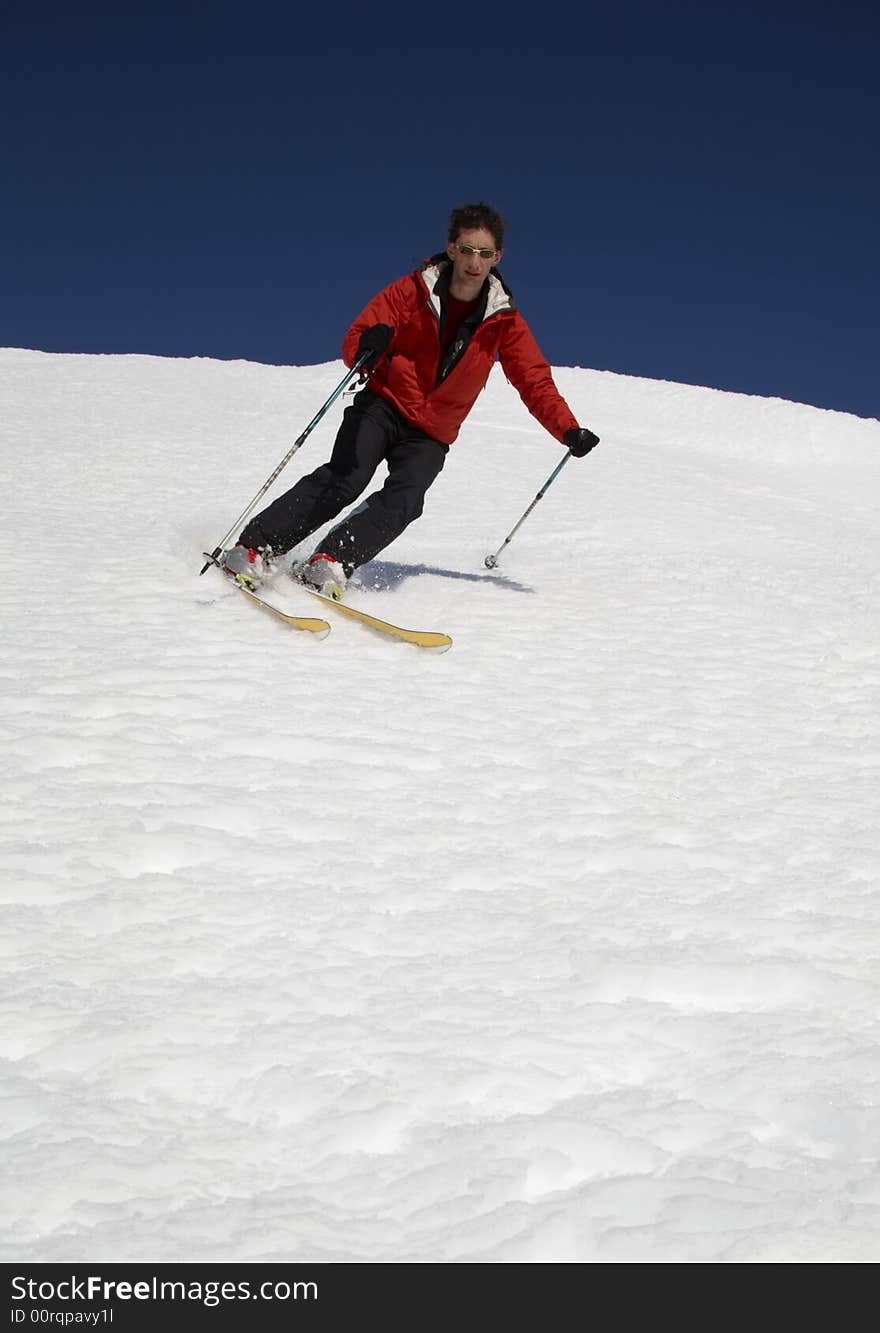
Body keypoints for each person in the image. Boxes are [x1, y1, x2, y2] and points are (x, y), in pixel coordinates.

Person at [222, 202, 600, 600]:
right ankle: (254, 546)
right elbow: (363, 332)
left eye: (485, 253)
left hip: (432, 433)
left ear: (497, 258)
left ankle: (331, 561)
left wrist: (567, 429)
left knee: (406, 498)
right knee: (348, 476)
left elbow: (533, 379)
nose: (475, 261)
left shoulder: (504, 321)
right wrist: (368, 346)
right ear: (451, 249)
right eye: (467, 249)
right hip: (384, 403)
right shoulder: (412, 290)